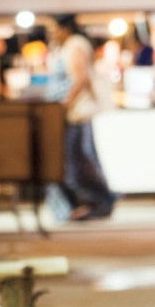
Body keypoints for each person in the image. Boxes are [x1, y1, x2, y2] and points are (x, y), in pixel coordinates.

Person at [48, 14, 116, 222]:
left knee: (78, 161)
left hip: (75, 113)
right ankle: (91, 203)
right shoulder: (70, 45)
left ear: (65, 29)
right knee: (78, 159)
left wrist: (65, 104)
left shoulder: (75, 45)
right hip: (72, 113)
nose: (52, 34)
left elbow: (80, 78)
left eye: (54, 29)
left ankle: (98, 202)